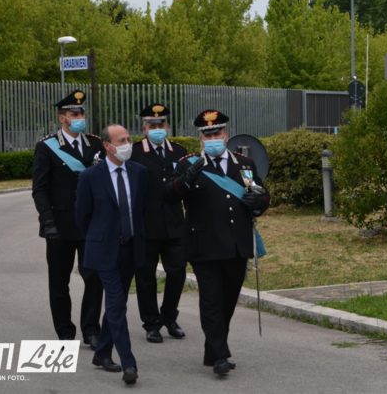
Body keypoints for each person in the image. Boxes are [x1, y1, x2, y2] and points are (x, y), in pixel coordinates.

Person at [166, 109, 270, 376]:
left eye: (217, 133)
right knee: (211, 301)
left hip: (237, 245)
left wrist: (259, 201)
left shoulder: (244, 164)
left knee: (228, 301)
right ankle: (221, 356)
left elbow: (259, 193)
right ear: (201, 138)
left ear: (225, 134)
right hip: (205, 246)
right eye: (207, 134)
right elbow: (169, 195)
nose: (213, 138)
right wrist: (186, 180)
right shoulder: (189, 164)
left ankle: (212, 349)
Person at [75, 124, 147, 385]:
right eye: (121, 140)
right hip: (104, 250)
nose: (127, 144)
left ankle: (102, 353)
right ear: (107, 146)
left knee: (118, 304)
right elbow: (81, 216)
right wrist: (98, 238)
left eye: (128, 139)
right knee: (116, 305)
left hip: (130, 248)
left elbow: (142, 210)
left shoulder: (139, 172)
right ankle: (129, 363)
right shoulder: (90, 176)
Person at [31, 90, 103, 349]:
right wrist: (47, 221)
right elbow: (40, 189)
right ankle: (64, 331)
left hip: (90, 224)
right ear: (62, 118)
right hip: (59, 226)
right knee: (59, 281)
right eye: (74, 114)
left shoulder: (95, 145)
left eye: (81, 113)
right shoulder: (47, 147)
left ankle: (91, 329)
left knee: (94, 277)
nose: (79, 117)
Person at [131, 104, 188, 343]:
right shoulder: (134, 153)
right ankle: (151, 323)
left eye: (161, 124)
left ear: (167, 126)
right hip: (146, 225)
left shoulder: (179, 152)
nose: (157, 128)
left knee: (178, 272)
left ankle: (169, 316)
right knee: (145, 277)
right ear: (144, 128)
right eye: (152, 125)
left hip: (174, 224)